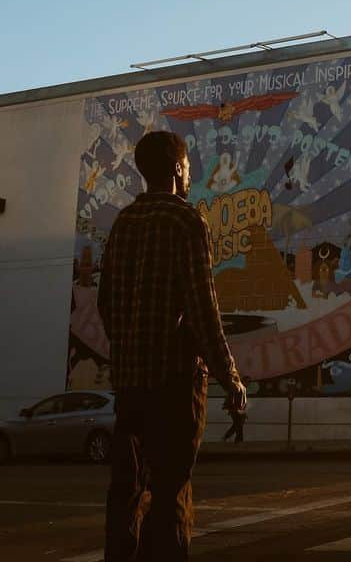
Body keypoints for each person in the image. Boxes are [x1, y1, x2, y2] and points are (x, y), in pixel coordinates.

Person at [99, 131, 246, 562]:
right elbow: (203, 312)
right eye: (189, 168)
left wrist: (127, 352)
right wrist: (231, 380)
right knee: (169, 496)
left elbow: (106, 303)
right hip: (175, 386)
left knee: (125, 493)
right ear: (180, 171)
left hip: (129, 387)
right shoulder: (187, 221)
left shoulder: (123, 224)